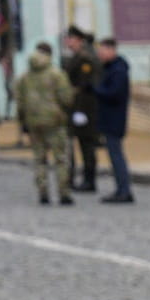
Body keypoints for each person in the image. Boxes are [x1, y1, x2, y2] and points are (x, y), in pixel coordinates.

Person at [12, 42, 76, 206]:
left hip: (34, 123)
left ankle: (43, 192)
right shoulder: (56, 75)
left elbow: (19, 101)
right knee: (60, 158)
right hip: (55, 122)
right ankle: (64, 192)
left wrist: (22, 121)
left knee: (39, 159)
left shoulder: (24, 78)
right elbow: (67, 98)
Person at [62, 26, 103, 193]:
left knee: (87, 144)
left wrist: (80, 111)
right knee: (79, 143)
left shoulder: (85, 59)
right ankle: (77, 178)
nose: (67, 42)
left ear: (78, 40)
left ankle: (89, 179)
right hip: (75, 106)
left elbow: (86, 87)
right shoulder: (76, 57)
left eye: (70, 38)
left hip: (85, 107)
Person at [94, 37, 134, 203]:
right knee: (114, 155)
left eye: (103, 51)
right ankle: (121, 189)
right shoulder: (111, 68)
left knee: (116, 156)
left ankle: (124, 190)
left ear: (111, 50)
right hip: (109, 118)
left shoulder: (118, 70)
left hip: (114, 119)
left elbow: (113, 93)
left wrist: (96, 90)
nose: (100, 55)